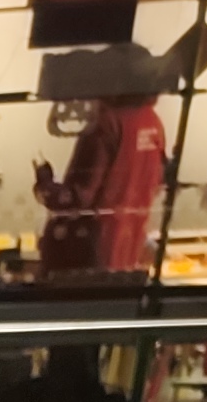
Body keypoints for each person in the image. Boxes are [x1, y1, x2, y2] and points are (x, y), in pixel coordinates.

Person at [35, 85, 169, 278]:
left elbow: (80, 197)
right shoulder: (153, 123)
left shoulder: (106, 124)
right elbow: (157, 181)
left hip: (93, 251)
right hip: (129, 248)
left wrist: (45, 187)